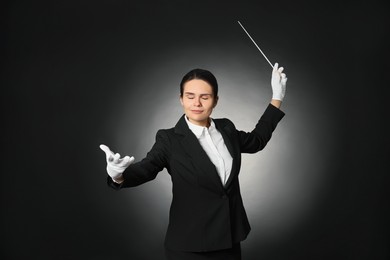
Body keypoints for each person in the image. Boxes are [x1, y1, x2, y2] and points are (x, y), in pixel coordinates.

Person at [100, 63, 287, 260]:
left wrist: (277, 97)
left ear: (215, 100)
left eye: (204, 97)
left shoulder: (227, 129)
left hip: (230, 240)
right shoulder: (169, 139)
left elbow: (257, 141)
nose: (197, 103)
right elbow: (147, 168)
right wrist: (118, 174)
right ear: (181, 99)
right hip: (189, 247)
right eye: (190, 96)